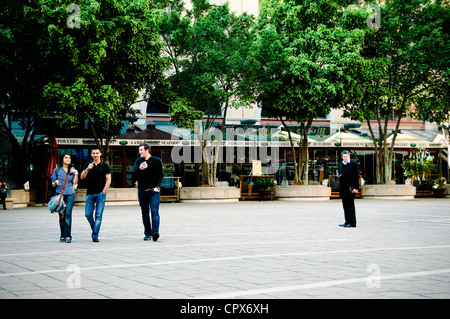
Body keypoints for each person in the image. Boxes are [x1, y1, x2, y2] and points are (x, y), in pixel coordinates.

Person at [132, 143, 164, 241]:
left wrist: (158, 187)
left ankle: (155, 232)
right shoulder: (138, 162)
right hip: (142, 191)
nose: (139, 152)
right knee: (145, 214)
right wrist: (140, 169)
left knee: (154, 212)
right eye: (139, 150)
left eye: (141, 150)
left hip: (154, 191)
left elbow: (161, 175)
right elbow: (133, 178)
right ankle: (147, 233)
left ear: (147, 150)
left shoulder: (157, 161)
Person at [80, 147, 111, 242]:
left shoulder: (104, 165)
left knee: (98, 215)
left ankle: (95, 235)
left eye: (97, 153)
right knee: (88, 214)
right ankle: (95, 228)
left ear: (100, 154)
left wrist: (104, 191)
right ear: (91, 154)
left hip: (100, 194)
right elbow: (82, 177)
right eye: (93, 153)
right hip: (89, 193)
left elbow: (108, 179)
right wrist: (87, 169)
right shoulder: (87, 164)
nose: (95, 155)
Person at [51, 154, 78, 243]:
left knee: (67, 215)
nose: (68, 159)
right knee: (61, 216)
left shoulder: (72, 170)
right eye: (66, 158)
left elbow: (75, 182)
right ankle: (62, 235)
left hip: (70, 194)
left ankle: (68, 236)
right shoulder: (57, 170)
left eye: (69, 158)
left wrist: (76, 173)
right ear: (62, 159)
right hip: (60, 195)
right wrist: (56, 182)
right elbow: (53, 184)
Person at [337, 150, 360, 228]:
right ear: (342, 157)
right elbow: (340, 172)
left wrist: (356, 187)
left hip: (351, 187)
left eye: (346, 157)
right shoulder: (341, 163)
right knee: (345, 205)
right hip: (343, 187)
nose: (345, 158)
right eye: (344, 157)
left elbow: (356, 177)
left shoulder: (354, 164)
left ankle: (352, 222)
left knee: (350, 205)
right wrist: (339, 175)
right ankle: (347, 221)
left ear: (349, 156)